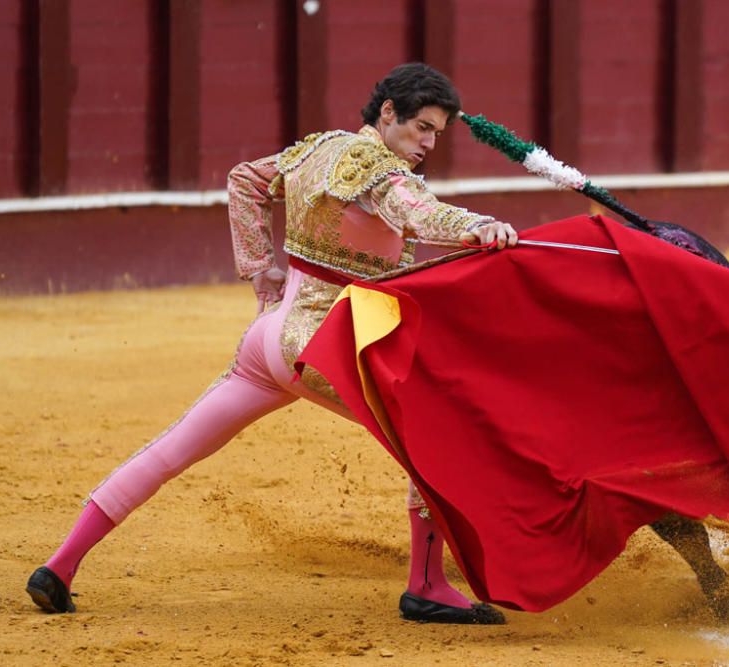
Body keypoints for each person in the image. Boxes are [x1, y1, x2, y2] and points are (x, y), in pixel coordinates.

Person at [25, 63, 517, 625]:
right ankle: (427, 584)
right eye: (423, 127)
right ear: (388, 113)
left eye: (437, 133)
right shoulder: (382, 172)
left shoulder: (317, 149)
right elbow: (421, 213)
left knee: (172, 448)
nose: (428, 143)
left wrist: (262, 271)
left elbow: (245, 179)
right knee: (436, 430)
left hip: (267, 339)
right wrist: (479, 225)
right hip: (321, 345)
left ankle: (59, 566)